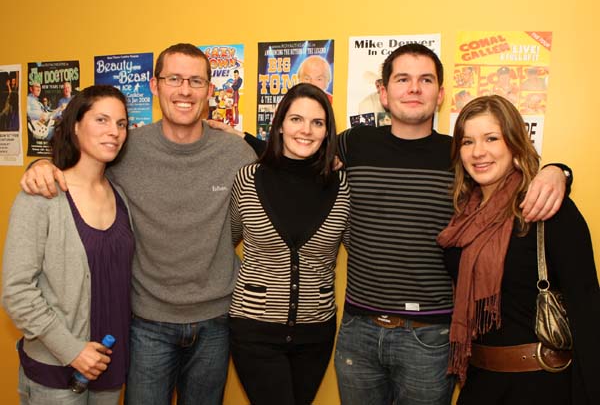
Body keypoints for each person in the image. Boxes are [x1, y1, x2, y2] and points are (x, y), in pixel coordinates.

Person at [211, 43, 569, 405]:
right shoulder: (354, 144)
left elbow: (508, 176)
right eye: (402, 79)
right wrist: (238, 139)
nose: (413, 88)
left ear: (440, 93)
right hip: (358, 332)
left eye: (425, 79)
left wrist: (557, 172)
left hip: (431, 337)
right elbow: (296, 158)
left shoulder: (460, 155)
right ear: (383, 92)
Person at [19, 43, 256, 405]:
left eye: (196, 81)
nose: (185, 90)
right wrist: (39, 166)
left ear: (210, 90)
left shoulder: (236, 153)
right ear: (153, 85)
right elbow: (80, 170)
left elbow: (273, 191)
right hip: (146, 324)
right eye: (173, 78)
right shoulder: (126, 147)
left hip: (216, 323)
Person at [437, 95, 599, 405]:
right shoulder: (463, 212)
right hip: (479, 380)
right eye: (468, 141)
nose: (478, 152)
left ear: (513, 141)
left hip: (541, 385)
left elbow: (587, 306)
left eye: (491, 138)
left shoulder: (547, 206)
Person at [3, 85, 134, 405]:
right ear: (75, 125)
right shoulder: (42, 194)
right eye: (101, 120)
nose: (114, 132)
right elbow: (16, 292)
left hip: (109, 364)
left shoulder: (121, 196)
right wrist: (72, 350)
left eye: (121, 123)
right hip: (57, 372)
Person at [228, 83, 350, 405]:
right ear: (280, 124)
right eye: (296, 119)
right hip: (254, 330)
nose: (306, 130)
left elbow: (356, 241)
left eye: (317, 123)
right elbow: (227, 238)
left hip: (316, 334)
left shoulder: (341, 184)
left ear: (327, 132)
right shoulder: (248, 178)